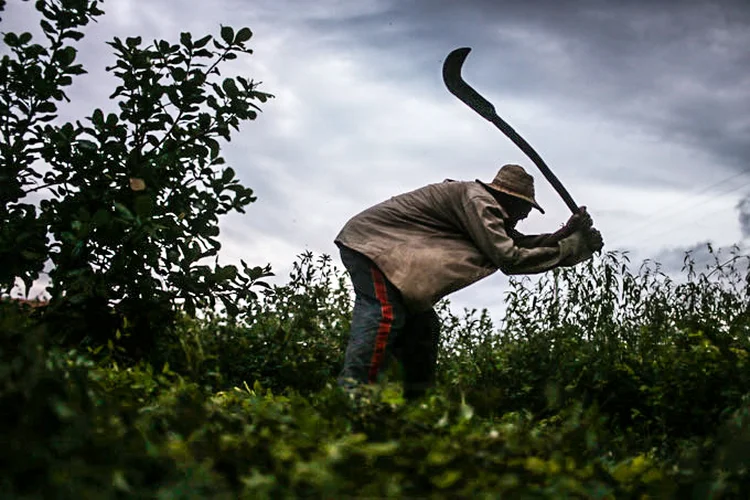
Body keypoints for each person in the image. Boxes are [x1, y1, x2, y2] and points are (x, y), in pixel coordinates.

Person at [334, 164, 603, 400]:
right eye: (525, 208)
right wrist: (570, 246)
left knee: (423, 329)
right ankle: (353, 397)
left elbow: (516, 243)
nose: (525, 216)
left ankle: (415, 411)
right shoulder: (479, 201)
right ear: (510, 199)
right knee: (384, 314)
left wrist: (567, 235)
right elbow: (509, 257)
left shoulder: (484, 210)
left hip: (383, 256)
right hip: (371, 247)